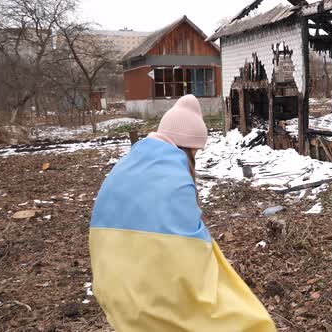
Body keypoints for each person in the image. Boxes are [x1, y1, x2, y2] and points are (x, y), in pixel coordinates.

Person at [89, 95, 276, 332]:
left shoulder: (126, 164)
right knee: (245, 319)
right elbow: (188, 260)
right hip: (147, 304)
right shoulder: (175, 178)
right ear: (188, 146)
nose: (194, 158)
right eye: (195, 152)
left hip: (112, 291)